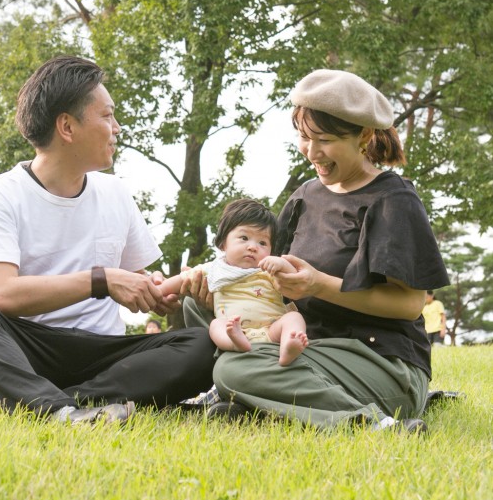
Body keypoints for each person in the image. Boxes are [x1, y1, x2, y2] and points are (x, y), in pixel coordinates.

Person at [0, 55, 215, 426]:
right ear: (67, 127)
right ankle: (58, 407)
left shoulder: (115, 192)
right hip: (28, 347)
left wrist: (176, 288)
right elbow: (2, 294)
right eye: (107, 116)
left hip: (102, 351)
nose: (117, 127)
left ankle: (39, 400)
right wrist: (101, 280)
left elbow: (142, 286)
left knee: (202, 344)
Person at [184, 69, 450, 433]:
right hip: (305, 345)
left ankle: (371, 422)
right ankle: (255, 399)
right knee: (199, 306)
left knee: (234, 367)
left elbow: (408, 304)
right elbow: (264, 277)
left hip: (378, 360)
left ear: (364, 136)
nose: (311, 152)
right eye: (304, 137)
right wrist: (212, 285)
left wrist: (317, 285)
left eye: (323, 139)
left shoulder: (392, 200)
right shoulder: (304, 197)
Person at [161, 199, 308, 366]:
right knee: (217, 325)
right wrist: (158, 291)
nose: (253, 247)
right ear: (223, 243)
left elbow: (294, 278)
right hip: (236, 329)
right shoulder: (214, 269)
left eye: (262, 243)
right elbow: (180, 280)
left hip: (272, 329)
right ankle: (235, 344)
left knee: (293, 317)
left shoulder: (268, 270)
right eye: (244, 238)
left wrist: (283, 264)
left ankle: (289, 345)